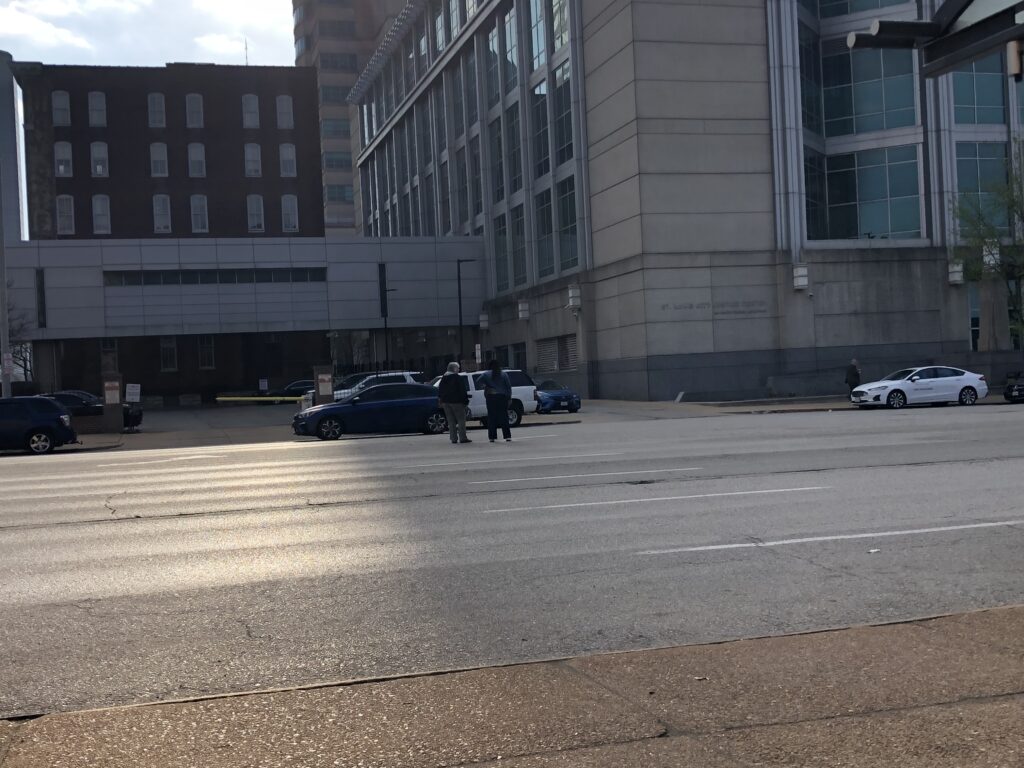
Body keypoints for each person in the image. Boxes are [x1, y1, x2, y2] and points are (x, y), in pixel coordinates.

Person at [479, 359, 513, 442]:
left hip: (491, 397)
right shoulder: (504, 374)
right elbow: (508, 387)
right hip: (502, 397)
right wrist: (509, 398)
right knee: (504, 417)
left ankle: (492, 437)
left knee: (491, 417)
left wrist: (485, 387)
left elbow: (478, 381)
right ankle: (507, 436)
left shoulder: (486, 374)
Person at [438, 362, 471, 445]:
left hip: (446, 402)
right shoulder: (457, 378)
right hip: (457, 402)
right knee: (461, 420)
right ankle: (463, 437)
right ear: (454, 369)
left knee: (450, 420)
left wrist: (441, 400)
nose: (459, 370)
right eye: (458, 368)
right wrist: (465, 401)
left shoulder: (443, 378)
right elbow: (462, 390)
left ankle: (453, 438)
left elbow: (440, 391)